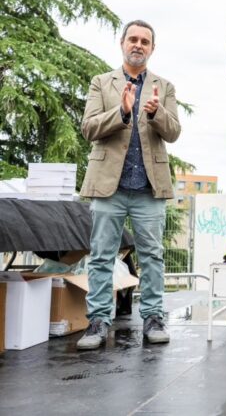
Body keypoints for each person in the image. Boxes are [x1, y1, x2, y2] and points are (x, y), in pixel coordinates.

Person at [77, 20, 181, 350]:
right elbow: (88, 128)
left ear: (152, 48)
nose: (138, 45)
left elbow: (174, 132)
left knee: (152, 255)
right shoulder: (100, 83)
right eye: (132, 39)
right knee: (101, 256)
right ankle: (97, 321)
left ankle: (152, 317)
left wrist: (156, 112)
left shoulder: (163, 87)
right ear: (122, 43)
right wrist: (121, 112)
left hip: (149, 188)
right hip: (109, 185)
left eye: (145, 41)